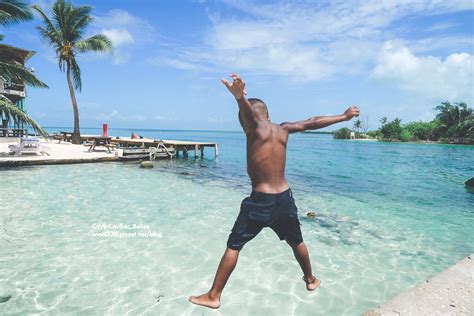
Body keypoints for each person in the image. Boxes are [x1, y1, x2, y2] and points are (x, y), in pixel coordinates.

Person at [189, 74, 360, 309]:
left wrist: (239, 99)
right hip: (284, 199)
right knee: (296, 240)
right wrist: (344, 116)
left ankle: (214, 295)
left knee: (234, 245)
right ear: (269, 115)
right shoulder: (283, 129)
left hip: (260, 202)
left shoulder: (253, 131)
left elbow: (249, 119)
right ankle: (310, 279)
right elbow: (312, 121)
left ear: (245, 120)